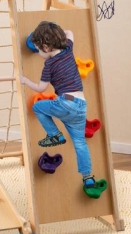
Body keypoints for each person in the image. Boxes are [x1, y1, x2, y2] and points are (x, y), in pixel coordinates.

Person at [20, 21, 96, 190]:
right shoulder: (68, 48)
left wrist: (25, 80)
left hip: (66, 102)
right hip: (81, 105)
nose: (39, 53)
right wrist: (54, 34)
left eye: (39, 49)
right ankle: (87, 177)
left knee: (38, 107)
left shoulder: (49, 65)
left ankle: (54, 134)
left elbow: (40, 88)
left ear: (46, 47)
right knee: (80, 143)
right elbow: (69, 31)